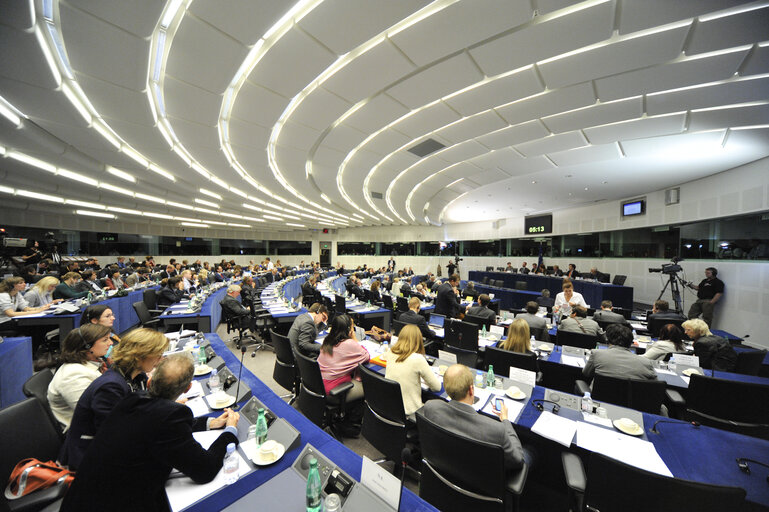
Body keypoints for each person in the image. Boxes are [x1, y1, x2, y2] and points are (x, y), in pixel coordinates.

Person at [59, 354, 240, 512]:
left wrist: (210, 423)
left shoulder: (131, 401)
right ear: (187, 388)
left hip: (81, 500)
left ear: (149, 382)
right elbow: (205, 469)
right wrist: (230, 431)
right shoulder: (169, 417)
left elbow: (155, 426)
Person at [60, 328, 169, 469]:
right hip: (89, 463)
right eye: (158, 355)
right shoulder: (111, 387)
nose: (161, 360)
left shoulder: (135, 377)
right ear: (140, 356)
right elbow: (114, 437)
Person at [420, 364, 525, 471]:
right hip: (485, 480)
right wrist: (506, 421)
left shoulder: (431, 407)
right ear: (471, 390)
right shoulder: (496, 429)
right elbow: (517, 460)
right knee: (531, 452)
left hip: (447, 469)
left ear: (446, 389)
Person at [46, 324, 113, 430]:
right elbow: (91, 413)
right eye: (105, 340)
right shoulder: (73, 375)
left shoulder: (93, 362)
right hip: (85, 433)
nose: (111, 343)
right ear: (87, 346)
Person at [317, 315, 369, 436]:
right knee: (367, 386)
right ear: (348, 330)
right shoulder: (349, 343)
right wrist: (354, 337)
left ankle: (347, 415)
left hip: (319, 384)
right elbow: (366, 356)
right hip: (333, 391)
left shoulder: (327, 340)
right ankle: (351, 422)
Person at [383, 325, 441, 419]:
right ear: (419, 340)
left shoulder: (390, 352)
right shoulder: (418, 359)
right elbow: (436, 387)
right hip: (409, 411)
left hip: (390, 407)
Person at [582, 324, 656, 381]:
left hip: (597, 398)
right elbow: (653, 384)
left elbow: (586, 373)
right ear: (631, 343)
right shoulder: (647, 363)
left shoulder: (596, 354)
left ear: (607, 340)